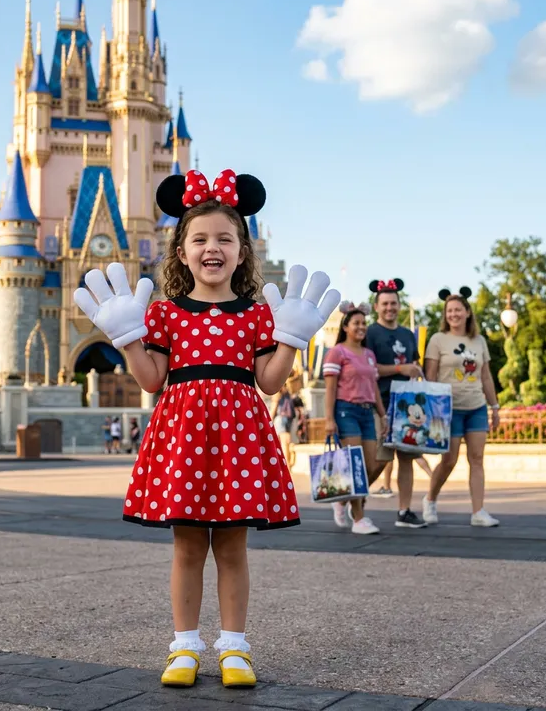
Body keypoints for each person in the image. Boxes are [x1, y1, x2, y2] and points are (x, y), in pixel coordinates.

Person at [74, 167, 338, 689]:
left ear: (243, 251)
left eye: (225, 238)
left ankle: (235, 649)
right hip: (185, 441)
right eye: (200, 238)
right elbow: (151, 379)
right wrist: (127, 335)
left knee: (233, 548)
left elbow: (268, 381)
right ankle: (185, 647)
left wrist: (290, 338)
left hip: (238, 441)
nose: (211, 247)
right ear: (181, 250)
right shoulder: (165, 315)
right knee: (188, 547)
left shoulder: (258, 315)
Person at [422, 287, 500, 527]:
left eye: (458, 310)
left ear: (467, 312)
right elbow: (430, 376)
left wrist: (494, 406)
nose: (453, 314)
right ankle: (430, 499)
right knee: (449, 459)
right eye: (449, 311)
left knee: (477, 459)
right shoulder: (438, 340)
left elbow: (486, 376)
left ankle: (478, 512)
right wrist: (431, 410)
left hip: (476, 406)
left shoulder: (479, 341)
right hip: (448, 409)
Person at [364, 279, 427, 529]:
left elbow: (414, 364)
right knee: (379, 459)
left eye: (394, 303)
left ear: (399, 305)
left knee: (407, 458)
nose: (390, 307)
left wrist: (416, 371)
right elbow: (368, 368)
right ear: (377, 307)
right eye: (385, 304)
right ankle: (353, 499)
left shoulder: (407, 334)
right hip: (380, 401)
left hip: (407, 405)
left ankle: (404, 510)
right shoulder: (370, 332)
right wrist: (401, 368)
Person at [323, 302, 384, 534]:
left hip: (367, 412)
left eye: (363, 323)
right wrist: (329, 419)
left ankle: (342, 498)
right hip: (346, 411)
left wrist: (382, 413)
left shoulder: (368, 354)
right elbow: (330, 388)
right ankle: (359, 518)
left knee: (371, 465)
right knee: (356, 465)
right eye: (356, 323)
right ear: (345, 326)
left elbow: (374, 386)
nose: (361, 327)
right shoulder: (337, 352)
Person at [271, 385, 296, 467]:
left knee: (282, 444)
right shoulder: (288, 392)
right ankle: (287, 463)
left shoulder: (277, 392)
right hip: (288, 419)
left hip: (280, 419)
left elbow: (274, 408)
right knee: (286, 443)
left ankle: (286, 465)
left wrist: (269, 420)